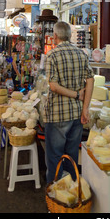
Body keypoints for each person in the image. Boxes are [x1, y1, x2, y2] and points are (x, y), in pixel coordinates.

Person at [42, 21, 94, 184]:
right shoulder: (81, 53)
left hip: (58, 115)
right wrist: (85, 108)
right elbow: (91, 80)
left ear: (55, 36)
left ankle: (55, 196)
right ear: (70, 35)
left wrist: (77, 94)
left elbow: (53, 86)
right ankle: (72, 194)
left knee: (55, 158)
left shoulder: (52, 55)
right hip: (76, 114)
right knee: (71, 157)